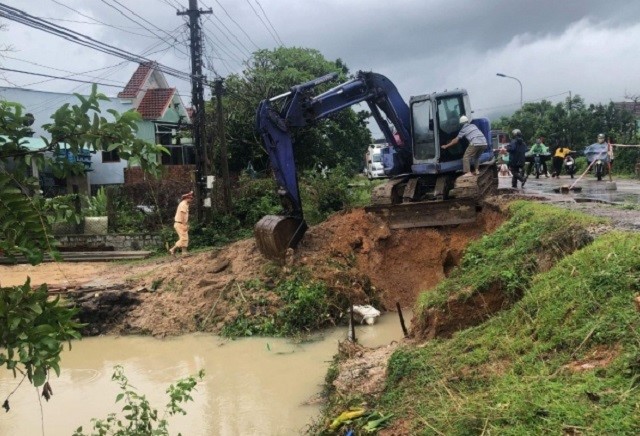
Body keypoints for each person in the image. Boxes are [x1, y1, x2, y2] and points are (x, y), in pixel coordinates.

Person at [169, 191, 194, 256]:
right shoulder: (183, 204)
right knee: (183, 238)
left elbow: (185, 216)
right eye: (190, 198)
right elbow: (183, 215)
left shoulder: (185, 204)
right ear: (186, 198)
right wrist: (184, 225)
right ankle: (173, 249)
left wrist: (186, 224)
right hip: (180, 223)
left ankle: (184, 253)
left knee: (185, 238)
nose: (191, 199)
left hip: (181, 223)